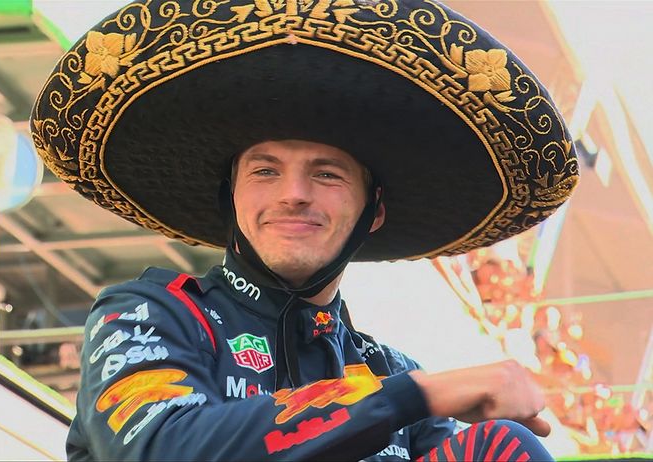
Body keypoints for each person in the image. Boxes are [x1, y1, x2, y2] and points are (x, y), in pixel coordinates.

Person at [30, 1, 580, 460]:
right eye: (264, 171)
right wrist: (413, 395)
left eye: (327, 174)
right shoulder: (147, 314)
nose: (293, 193)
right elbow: (161, 450)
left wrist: (413, 397)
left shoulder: (390, 370)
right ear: (231, 197)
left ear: (373, 211)